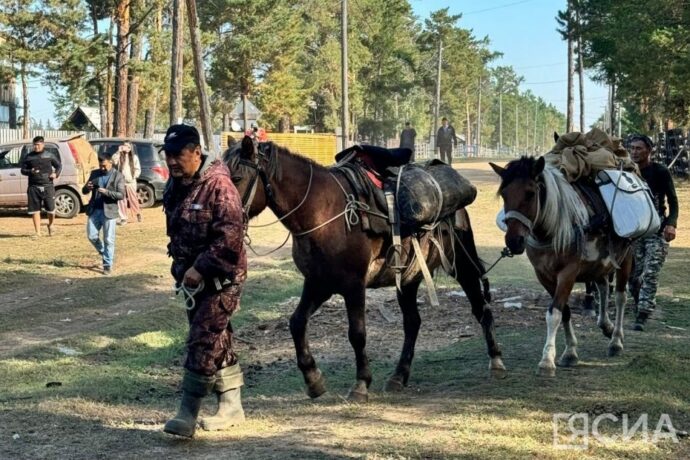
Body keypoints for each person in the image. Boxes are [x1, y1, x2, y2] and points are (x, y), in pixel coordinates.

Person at [162, 124, 247, 438]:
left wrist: (200, 267)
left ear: (197, 153)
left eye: (178, 155)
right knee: (217, 339)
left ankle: (187, 412)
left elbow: (230, 239)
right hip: (190, 282)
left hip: (221, 279)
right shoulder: (177, 184)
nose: (172, 162)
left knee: (202, 338)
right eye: (168, 155)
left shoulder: (220, 186)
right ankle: (232, 406)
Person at [628, 134, 679, 331]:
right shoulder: (627, 173)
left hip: (656, 228)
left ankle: (643, 313)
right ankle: (639, 302)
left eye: (639, 148)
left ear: (649, 151)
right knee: (633, 276)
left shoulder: (660, 172)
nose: (635, 152)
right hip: (634, 231)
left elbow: (673, 201)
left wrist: (671, 224)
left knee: (651, 271)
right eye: (632, 148)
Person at [83, 155, 125, 275]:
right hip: (95, 210)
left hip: (109, 211)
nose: (102, 168)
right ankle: (104, 252)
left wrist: (107, 192)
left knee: (108, 239)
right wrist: (87, 188)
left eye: (104, 165)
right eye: (100, 165)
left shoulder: (118, 176)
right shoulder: (95, 173)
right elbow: (84, 190)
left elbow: (121, 195)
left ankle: (107, 264)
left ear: (110, 162)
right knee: (91, 235)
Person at [20, 136, 62, 237]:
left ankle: (51, 225)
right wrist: (30, 171)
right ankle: (37, 233)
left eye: (38, 145)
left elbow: (59, 166)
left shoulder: (49, 155)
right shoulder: (29, 157)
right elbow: (22, 170)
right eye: (34, 145)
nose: (36, 147)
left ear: (43, 144)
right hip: (33, 186)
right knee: (35, 210)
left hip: (48, 185)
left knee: (51, 210)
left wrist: (56, 174)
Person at [112, 142, 142, 224]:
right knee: (121, 200)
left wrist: (133, 177)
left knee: (133, 199)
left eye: (128, 146)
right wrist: (118, 151)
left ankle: (137, 213)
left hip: (131, 182)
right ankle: (123, 218)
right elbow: (113, 161)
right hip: (121, 181)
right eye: (124, 146)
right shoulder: (119, 156)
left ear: (130, 148)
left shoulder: (134, 157)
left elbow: (137, 169)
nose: (126, 148)